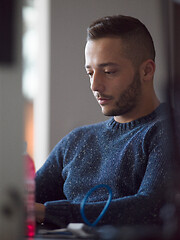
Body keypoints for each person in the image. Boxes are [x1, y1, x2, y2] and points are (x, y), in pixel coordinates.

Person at [35, 15, 172, 228]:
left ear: (146, 71)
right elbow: (22, 201)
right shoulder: (76, 141)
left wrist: (49, 212)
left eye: (108, 72)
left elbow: (150, 208)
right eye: (90, 73)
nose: (94, 85)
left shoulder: (168, 132)